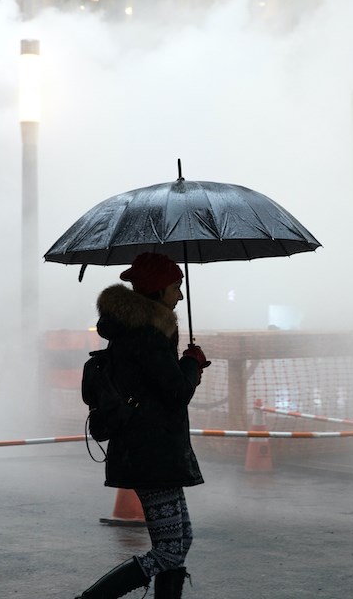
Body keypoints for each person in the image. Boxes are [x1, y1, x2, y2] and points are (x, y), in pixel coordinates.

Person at [76, 252, 210, 599]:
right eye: (175, 287)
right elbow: (176, 392)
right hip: (150, 454)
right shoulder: (146, 336)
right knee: (168, 549)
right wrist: (192, 364)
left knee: (181, 539)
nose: (180, 295)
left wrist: (184, 361)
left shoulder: (139, 332)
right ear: (158, 289)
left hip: (152, 453)